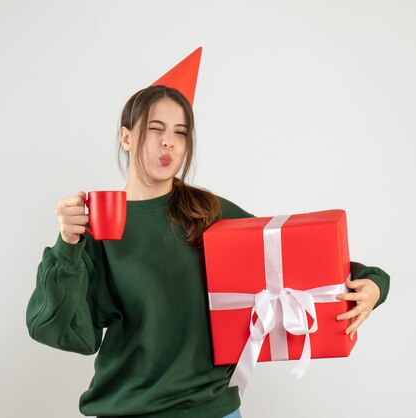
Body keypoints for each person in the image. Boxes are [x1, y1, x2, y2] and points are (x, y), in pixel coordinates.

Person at [26, 85, 390, 417]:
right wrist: (67, 243)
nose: (168, 142)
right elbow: (67, 332)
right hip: (129, 411)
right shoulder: (99, 227)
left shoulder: (206, 211)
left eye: (179, 133)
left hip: (213, 409)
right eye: (156, 129)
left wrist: (372, 283)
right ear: (126, 136)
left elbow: (288, 257)